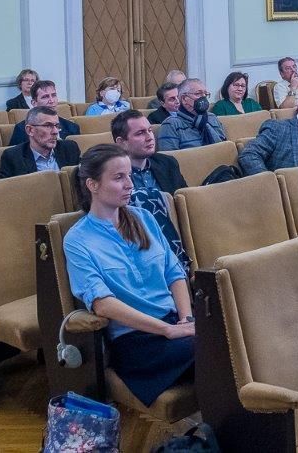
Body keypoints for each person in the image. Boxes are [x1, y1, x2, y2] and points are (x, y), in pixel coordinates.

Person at [64, 143, 194, 408]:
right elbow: (102, 304)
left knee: (233, 341)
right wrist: (167, 330)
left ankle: (221, 427)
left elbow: (174, 273)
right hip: (136, 341)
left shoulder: (143, 217)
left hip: (173, 322)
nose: (129, 185)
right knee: (219, 351)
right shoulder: (77, 239)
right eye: (118, 177)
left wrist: (186, 319)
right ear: (92, 184)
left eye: (130, 176)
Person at [113, 111, 190, 270]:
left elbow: (185, 207)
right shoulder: (112, 175)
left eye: (149, 130)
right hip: (136, 245)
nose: (150, 137)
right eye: (140, 133)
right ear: (121, 142)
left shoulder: (167, 163)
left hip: (176, 239)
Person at [0, 106, 81, 178]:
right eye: (48, 126)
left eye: (57, 126)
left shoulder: (70, 148)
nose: (55, 131)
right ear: (30, 130)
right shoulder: (14, 157)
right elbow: (4, 189)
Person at [157, 79, 226, 151]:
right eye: (198, 94)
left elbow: (225, 147)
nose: (203, 97)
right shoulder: (171, 124)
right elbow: (168, 157)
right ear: (184, 98)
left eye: (205, 94)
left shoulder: (212, 117)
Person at [8, 80, 78, 145]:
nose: (51, 101)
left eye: (53, 95)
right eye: (45, 97)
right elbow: (16, 153)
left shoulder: (72, 127)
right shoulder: (21, 129)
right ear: (34, 103)